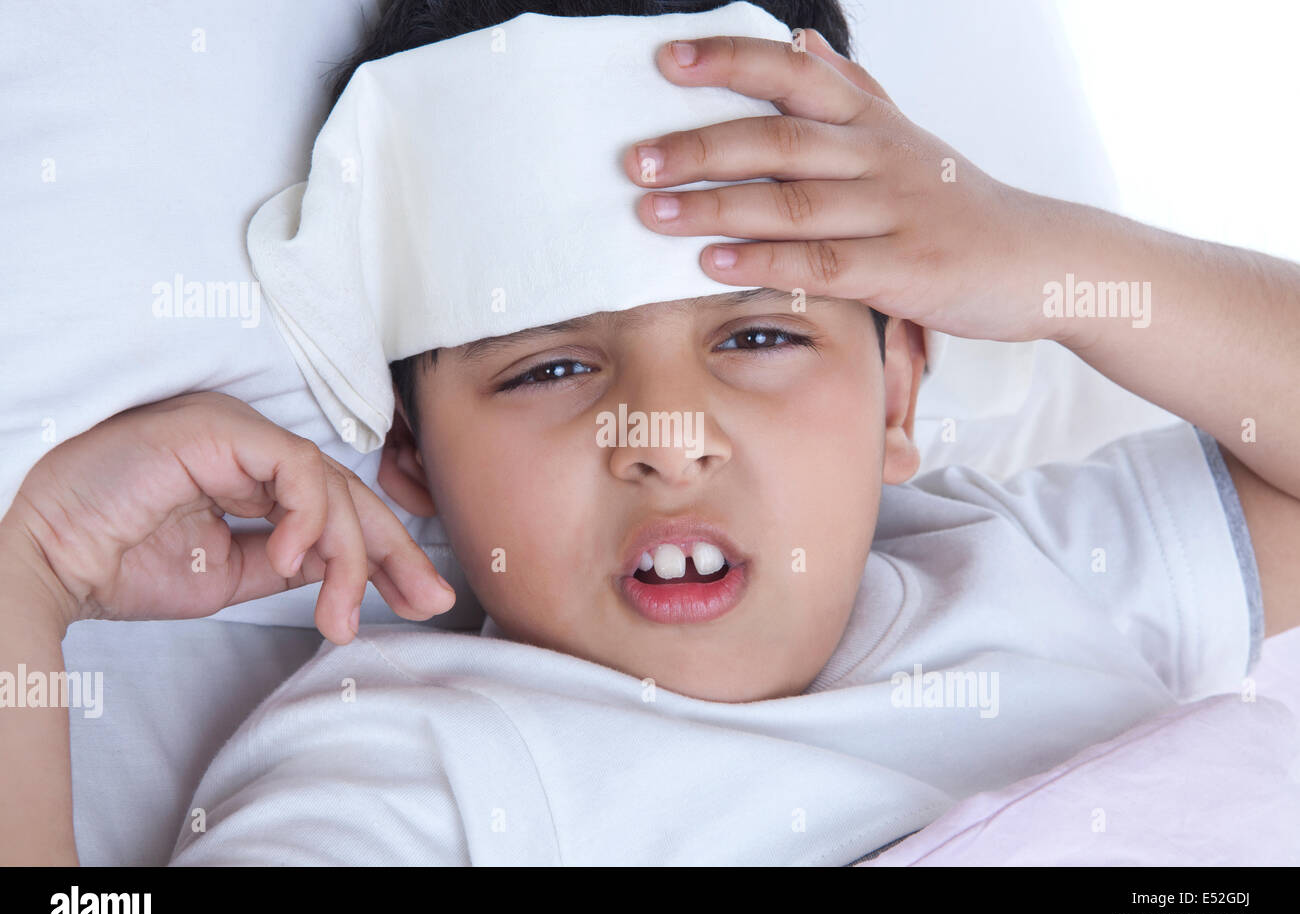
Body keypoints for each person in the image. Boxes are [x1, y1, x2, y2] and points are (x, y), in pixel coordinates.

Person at [3, 0, 1297, 864]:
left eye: (758, 337)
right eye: (551, 366)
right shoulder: (409, 760)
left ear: (901, 391)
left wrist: (1054, 256)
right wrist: (27, 585)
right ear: (412, 461)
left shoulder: (1040, 565)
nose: (667, 435)